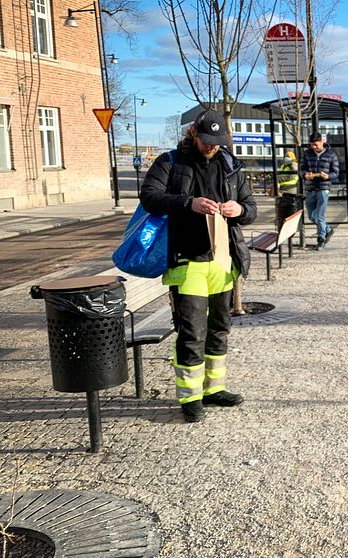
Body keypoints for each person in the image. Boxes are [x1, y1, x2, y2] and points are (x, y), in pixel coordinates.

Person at [140, 109, 257, 423]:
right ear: (193, 133)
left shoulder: (230, 165)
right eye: (206, 140)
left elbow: (252, 209)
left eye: (216, 142)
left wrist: (240, 209)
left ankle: (212, 389)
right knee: (192, 332)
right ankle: (190, 397)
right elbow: (149, 197)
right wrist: (186, 202)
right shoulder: (170, 161)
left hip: (222, 261)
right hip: (187, 261)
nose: (211, 147)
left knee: (219, 330)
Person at [300, 133, 340, 250]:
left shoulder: (331, 155)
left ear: (322, 142)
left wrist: (327, 176)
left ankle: (321, 240)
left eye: (316, 145)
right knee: (312, 216)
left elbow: (336, 172)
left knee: (320, 216)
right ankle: (327, 229)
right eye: (312, 145)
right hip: (310, 188)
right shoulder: (306, 154)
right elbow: (301, 169)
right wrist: (305, 175)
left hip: (324, 188)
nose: (313, 147)